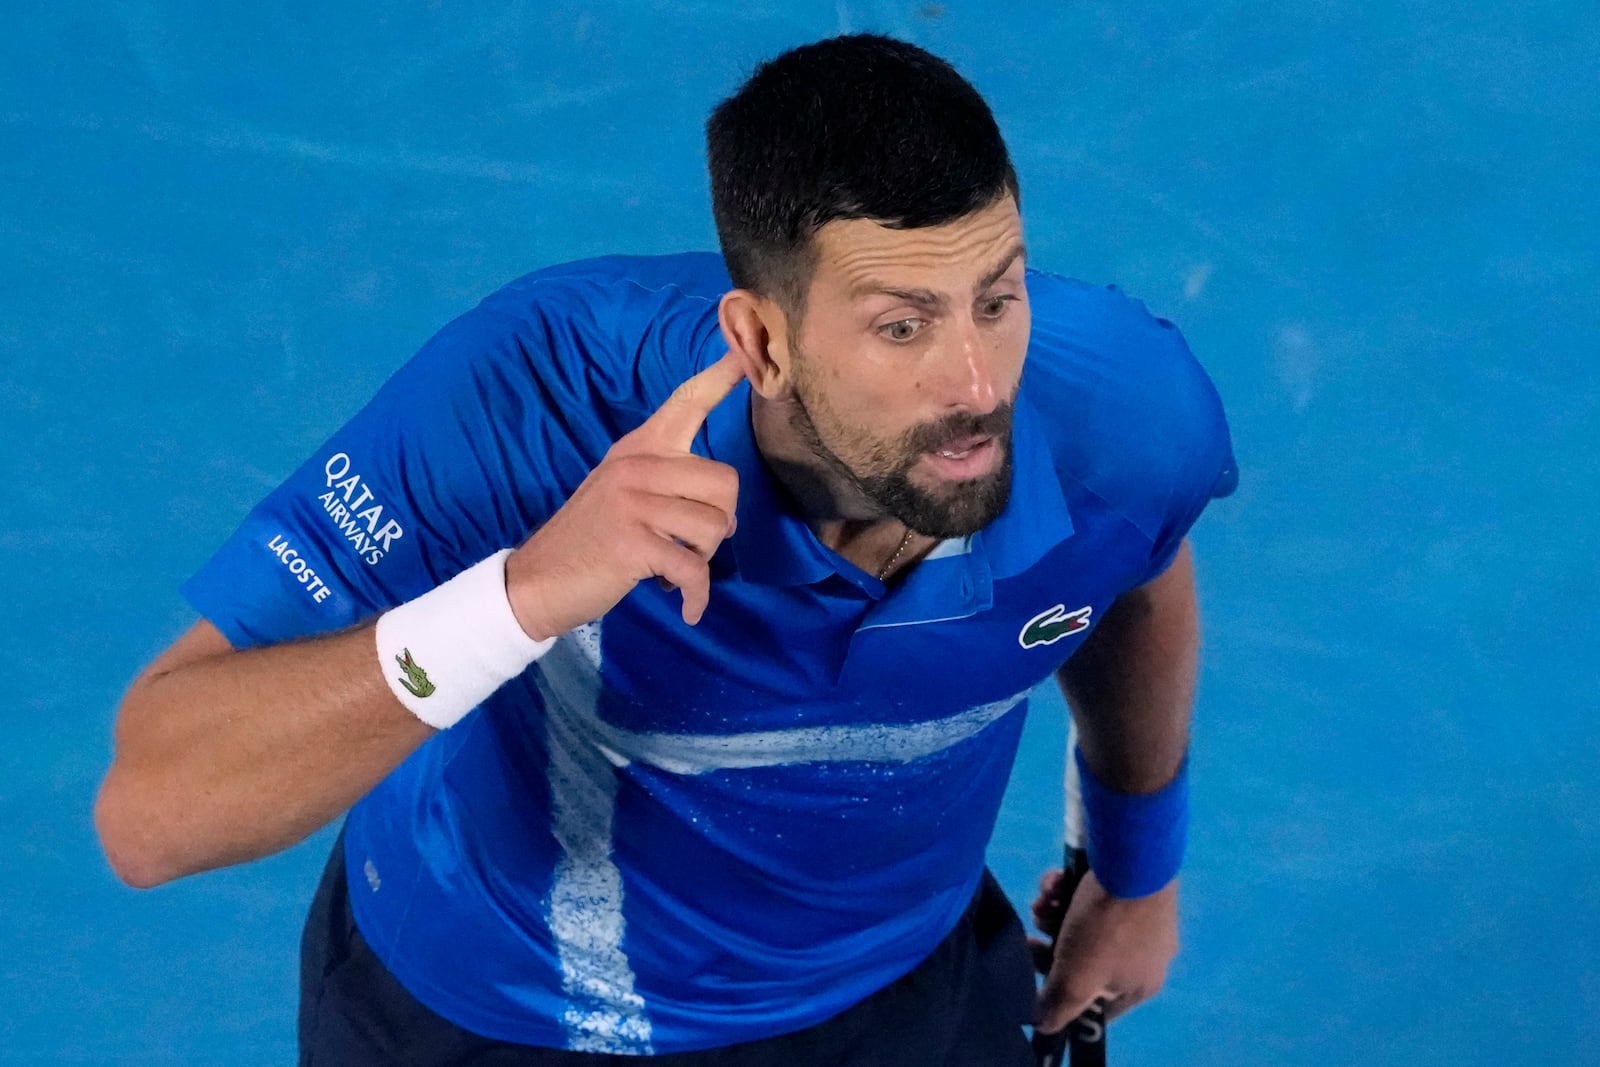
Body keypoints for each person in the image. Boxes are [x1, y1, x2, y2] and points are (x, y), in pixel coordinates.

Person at [95, 33, 1236, 1067]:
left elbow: (1132, 566)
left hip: (896, 992)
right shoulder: (535, 399)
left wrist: (1135, 864)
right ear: (760, 338)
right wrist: (522, 594)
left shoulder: (1122, 415)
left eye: (997, 297)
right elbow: (150, 812)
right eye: (902, 325)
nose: (980, 385)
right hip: (503, 1018)